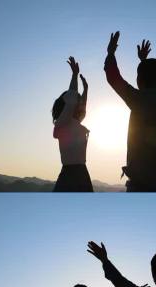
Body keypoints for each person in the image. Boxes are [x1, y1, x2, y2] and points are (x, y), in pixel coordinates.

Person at [104, 32, 156, 192]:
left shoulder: (139, 100)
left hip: (144, 182)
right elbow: (153, 88)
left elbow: (113, 77)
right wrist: (144, 62)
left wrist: (110, 53)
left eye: (138, 75)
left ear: (141, 79)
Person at [52, 56, 93, 192]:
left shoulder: (73, 123)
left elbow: (81, 108)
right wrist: (74, 76)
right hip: (72, 175)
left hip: (81, 173)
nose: (80, 103)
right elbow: (72, 97)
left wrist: (86, 90)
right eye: (78, 100)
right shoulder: (63, 123)